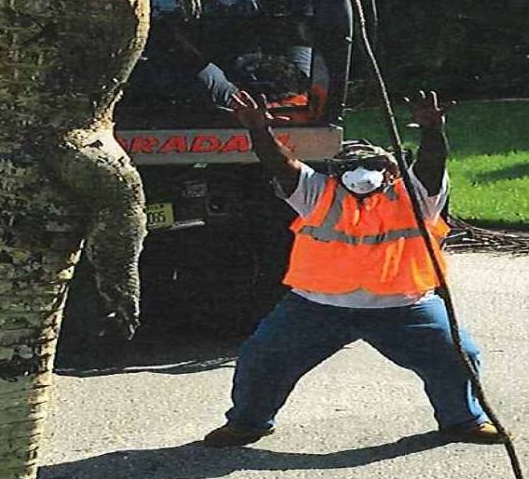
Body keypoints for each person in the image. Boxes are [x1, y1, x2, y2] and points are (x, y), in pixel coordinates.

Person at [202, 88, 503, 447]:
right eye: (351, 167)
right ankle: (248, 423)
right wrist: (258, 130)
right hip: (315, 308)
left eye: (373, 167)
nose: (362, 174)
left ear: (391, 171)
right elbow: (280, 163)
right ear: (336, 173)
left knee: (459, 356)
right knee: (262, 358)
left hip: (406, 307)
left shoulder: (416, 196)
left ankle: (464, 421)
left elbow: (432, 165)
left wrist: (432, 130)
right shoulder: (317, 193)